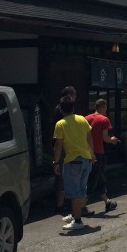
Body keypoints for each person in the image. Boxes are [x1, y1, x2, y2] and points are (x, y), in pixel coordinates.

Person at [53, 97, 94, 231]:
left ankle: (78, 221)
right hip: (86, 159)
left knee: (74, 192)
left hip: (73, 161)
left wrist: (56, 162)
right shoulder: (82, 119)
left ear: (61, 109)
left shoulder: (61, 124)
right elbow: (90, 138)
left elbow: (58, 145)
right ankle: (75, 214)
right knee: (81, 190)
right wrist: (92, 154)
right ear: (73, 108)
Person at [85, 98, 119, 214]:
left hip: (87, 152)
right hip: (98, 152)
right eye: (106, 107)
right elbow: (105, 138)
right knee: (93, 179)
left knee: (98, 177)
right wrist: (113, 140)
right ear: (103, 106)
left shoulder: (86, 118)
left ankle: (107, 201)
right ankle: (82, 206)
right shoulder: (104, 119)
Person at [53, 86, 77, 216]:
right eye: (73, 95)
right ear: (68, 96)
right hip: (63, 147)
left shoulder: (62, 109)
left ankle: (65, 202)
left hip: (67, 147)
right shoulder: (61, 110)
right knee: (62, 176)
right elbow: (59, 140)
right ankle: (60, 204)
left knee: (66, 175)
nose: (75, 97)